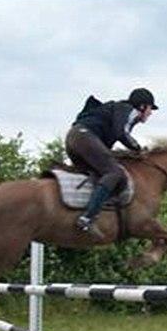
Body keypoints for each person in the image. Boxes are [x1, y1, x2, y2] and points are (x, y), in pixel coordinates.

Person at [65, 88, 158, 233]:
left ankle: (78, 210)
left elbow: (111, 141)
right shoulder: (129, 110)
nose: (150, 113)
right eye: (150, 108)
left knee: (100, 173)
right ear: (142, 106)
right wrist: (138, 148)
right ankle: (88, 217)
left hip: (75, 138)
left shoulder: (119, 112)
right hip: (84, 137)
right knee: (115, 172)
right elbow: (122, 133)